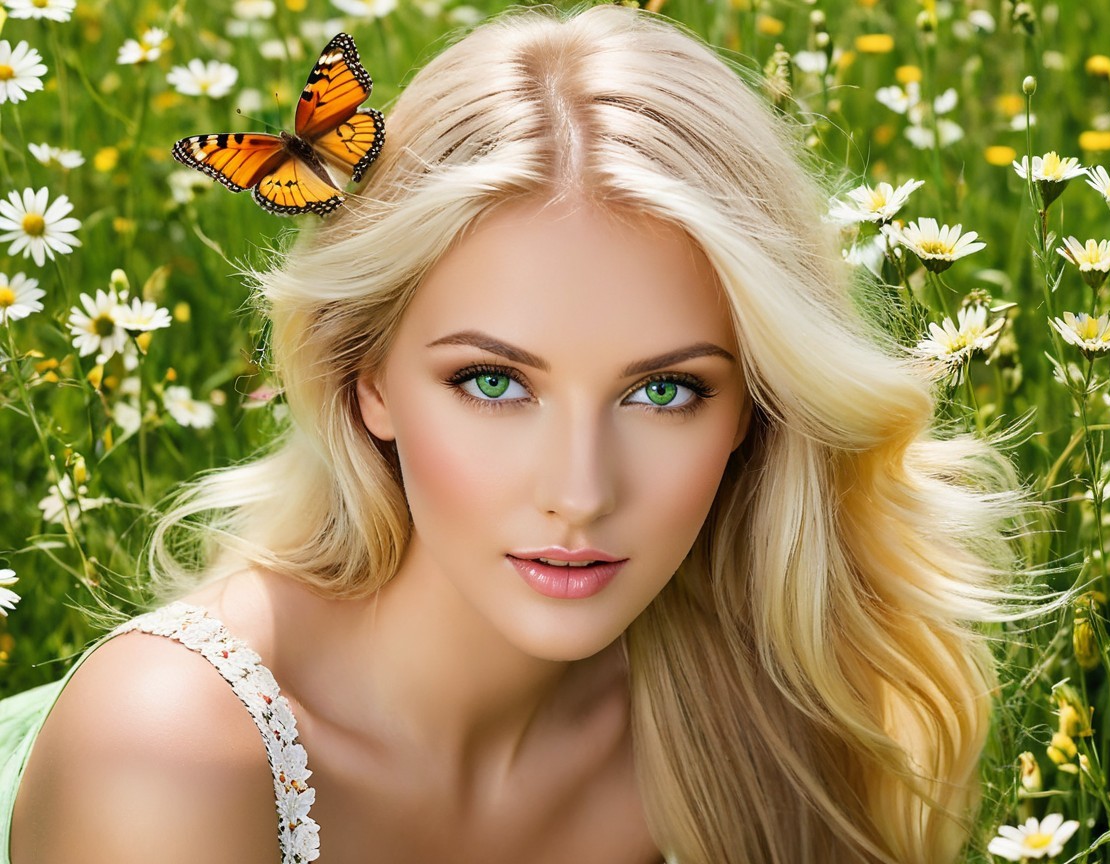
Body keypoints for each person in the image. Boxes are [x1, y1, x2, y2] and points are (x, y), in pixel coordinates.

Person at [0, 4, 1033, 863]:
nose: (579, 491)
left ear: (757, 416)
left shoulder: (762, 713)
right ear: (367, 381)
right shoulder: (169, 754)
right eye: (493, 381)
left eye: (664, 392)